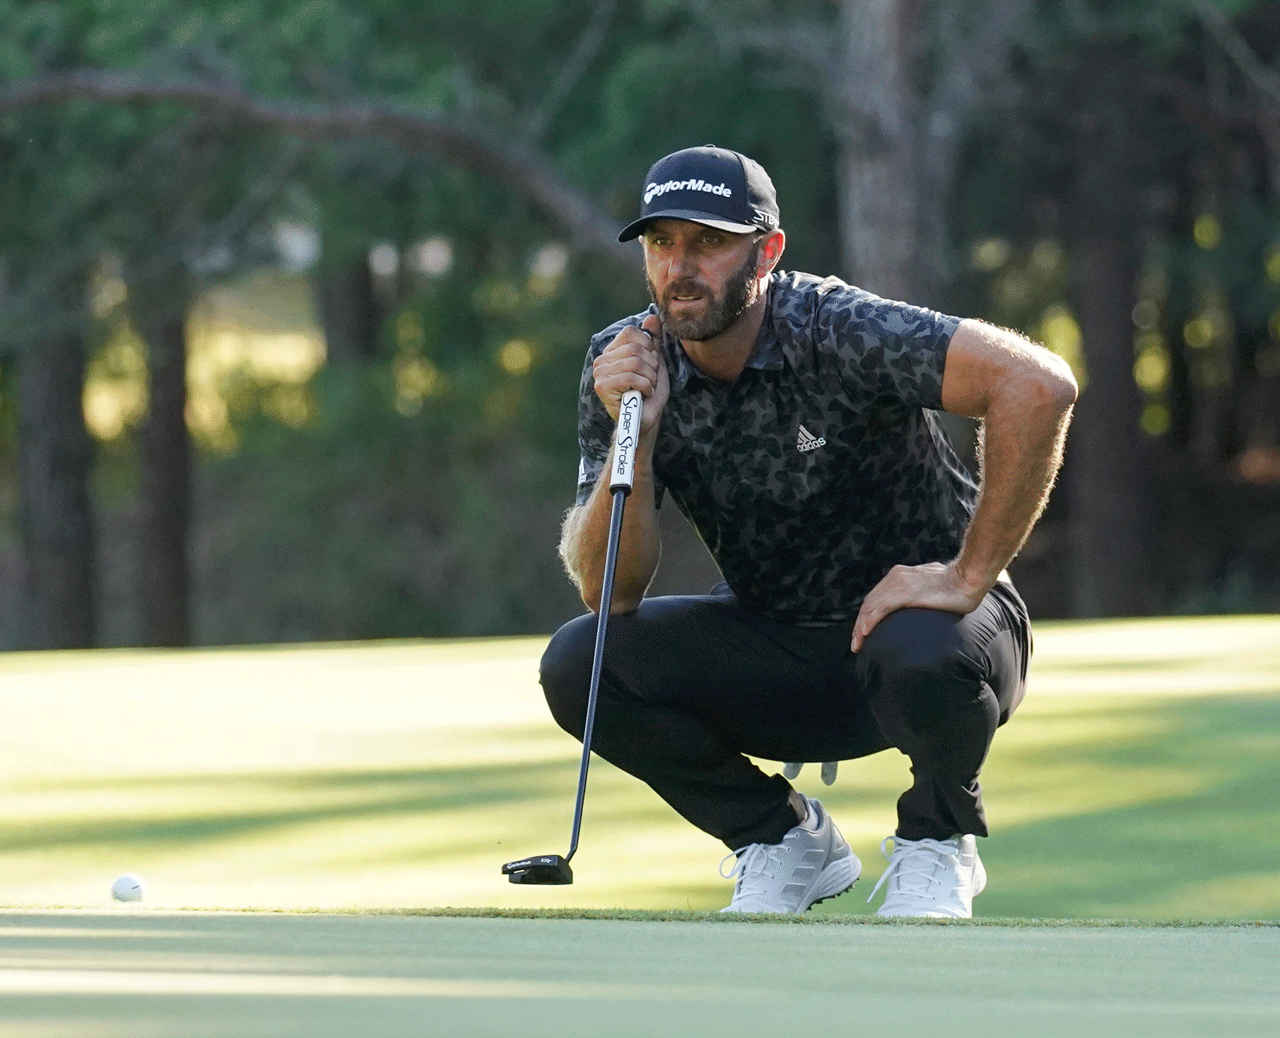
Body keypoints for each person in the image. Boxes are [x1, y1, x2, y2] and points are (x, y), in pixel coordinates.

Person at [539, 145, 1076, 918]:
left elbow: (1037, 383)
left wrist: (968, 573)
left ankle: (935, 840)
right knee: (581, 662)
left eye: (710, 242)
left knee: (920, 645)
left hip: (936, 649)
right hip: (780, 648)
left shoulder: (837, 327)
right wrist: (642, 433)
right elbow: (608, 591)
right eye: (662, 243)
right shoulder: (624, 365)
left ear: (768, 251)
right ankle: (783, 841)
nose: (680, 267)